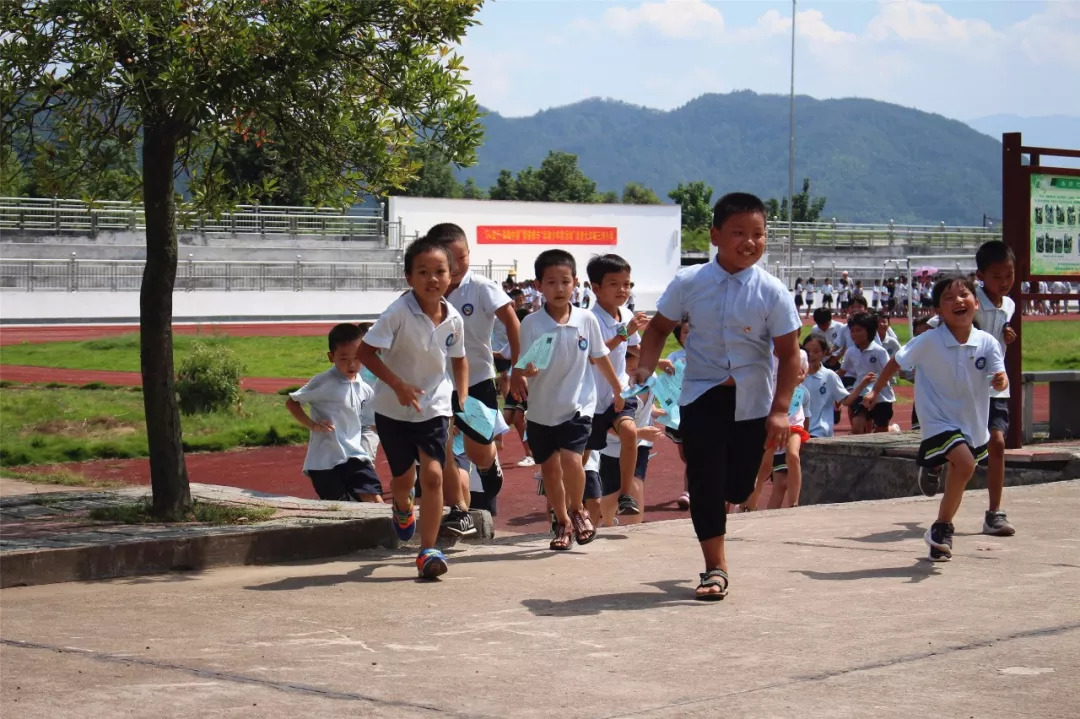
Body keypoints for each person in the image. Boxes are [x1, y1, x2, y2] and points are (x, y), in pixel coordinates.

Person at [635, 192, 802, 600]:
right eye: (739, 233)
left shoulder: (772, 291)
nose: (750, 242)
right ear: (715, 235)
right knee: (706, 480)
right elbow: (657, 329)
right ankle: (715, 566)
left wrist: (781, 411)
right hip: (702, 395)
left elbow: (788, 353)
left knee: (738, 488)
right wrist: (643, 370)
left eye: (758, 235)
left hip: (753, 401)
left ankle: (737, 491)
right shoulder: (689, 283)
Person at [863, 276, 1007, 561]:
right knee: (964, 463)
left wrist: (1001, 380)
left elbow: (998, 376)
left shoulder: (987, 342)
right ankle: (941, 518)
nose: (958, 302)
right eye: (948, 299)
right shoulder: (929, 340)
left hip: (972, 422)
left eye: (964, 295)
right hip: (937, 419)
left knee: (963, 470)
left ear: (976, 303)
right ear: (938, 311)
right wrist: (875, 391)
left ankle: (941, 527)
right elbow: (896, 361)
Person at [358, 236, 467, 579]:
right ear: (408, 276)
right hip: (393, 409)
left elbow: (459, 360)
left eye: (440, 271)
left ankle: (428, 550)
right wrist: (399, 385)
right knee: (404, 479)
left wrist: (460, 398)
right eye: (423, 272)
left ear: (451, 276)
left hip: (434, 406)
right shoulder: (398, 313)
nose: (432, 278)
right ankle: (402, 506)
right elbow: (364, 353)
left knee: (433, 476)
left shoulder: (453, 319)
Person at [511, 249, 624, 551]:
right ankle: (561, 521)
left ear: (575, 283)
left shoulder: (586, 319)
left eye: (565, 281)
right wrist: (524, 372)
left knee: (573, 460)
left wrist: (616, 389)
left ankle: (578, 510)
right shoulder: (532, 323)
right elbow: (522, 364)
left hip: (577, 406)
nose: (559, 289)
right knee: (550, 470)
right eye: (551, 282)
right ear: (538, 285)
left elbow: (600, 356)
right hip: (541, 410)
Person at [427, 224, 521, 529]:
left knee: (476, 449)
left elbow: (511, 321)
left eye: (463, 257)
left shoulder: (480, 287)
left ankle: (489, 461)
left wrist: (517, 366)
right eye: (449, 260)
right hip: (438, 384)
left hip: (477, 380)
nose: (456, 266)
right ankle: (460, 511)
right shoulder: (427, 290)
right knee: (444, 448)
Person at [584, 254, 650, 517]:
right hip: (592, 398)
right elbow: (594, 356)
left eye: (627, 284)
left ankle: (625, 494)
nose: (623, 290)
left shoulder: (627, 314)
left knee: (630, 433)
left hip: (620, 393)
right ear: (596, 288)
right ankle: (567, 505)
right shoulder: (589, 319)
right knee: (582, 457)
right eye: (615, 284)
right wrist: (624, 332)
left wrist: (658, 360)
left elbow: (632, 347)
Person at [286, 323, 381, 502]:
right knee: (341, 510)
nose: (352, 364)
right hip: (324, 461)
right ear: (331, 357)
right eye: (344, 358)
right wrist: (312, 425)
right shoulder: (324, 382)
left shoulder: (364, 388)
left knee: (373, 498)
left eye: (357, 357)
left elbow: (372, 421)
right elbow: (292, 403)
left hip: (354, 455)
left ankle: (391, 530)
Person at [800, 335, 873, 439]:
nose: (811, 355)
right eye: (807, 351)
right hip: (799, 430)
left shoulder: (829, 376)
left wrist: (862, 384)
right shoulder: (798, 375)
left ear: (824, 353)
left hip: (820, 432)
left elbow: (846, 401)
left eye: (816, 351)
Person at [838, 312, 894, 435]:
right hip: (861, 393)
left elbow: (887, 373)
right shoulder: (851, 352)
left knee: (881, 433)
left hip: (882, 395)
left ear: (869, 331)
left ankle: (892, 430)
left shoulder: (879, 351)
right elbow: (842, 371)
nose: (854, 334)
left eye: (858, 330)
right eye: (852, 331)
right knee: (857, 426)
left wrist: (875, 391)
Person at [659, 319, 691, 510]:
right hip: (679, 414)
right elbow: (666, 384)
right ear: (679, 336)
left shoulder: (709, 356)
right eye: (685, 333)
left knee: (694, 453)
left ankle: (688, 491)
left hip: (701, 411)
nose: (689, 336)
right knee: (685, 455)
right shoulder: (675, 356)